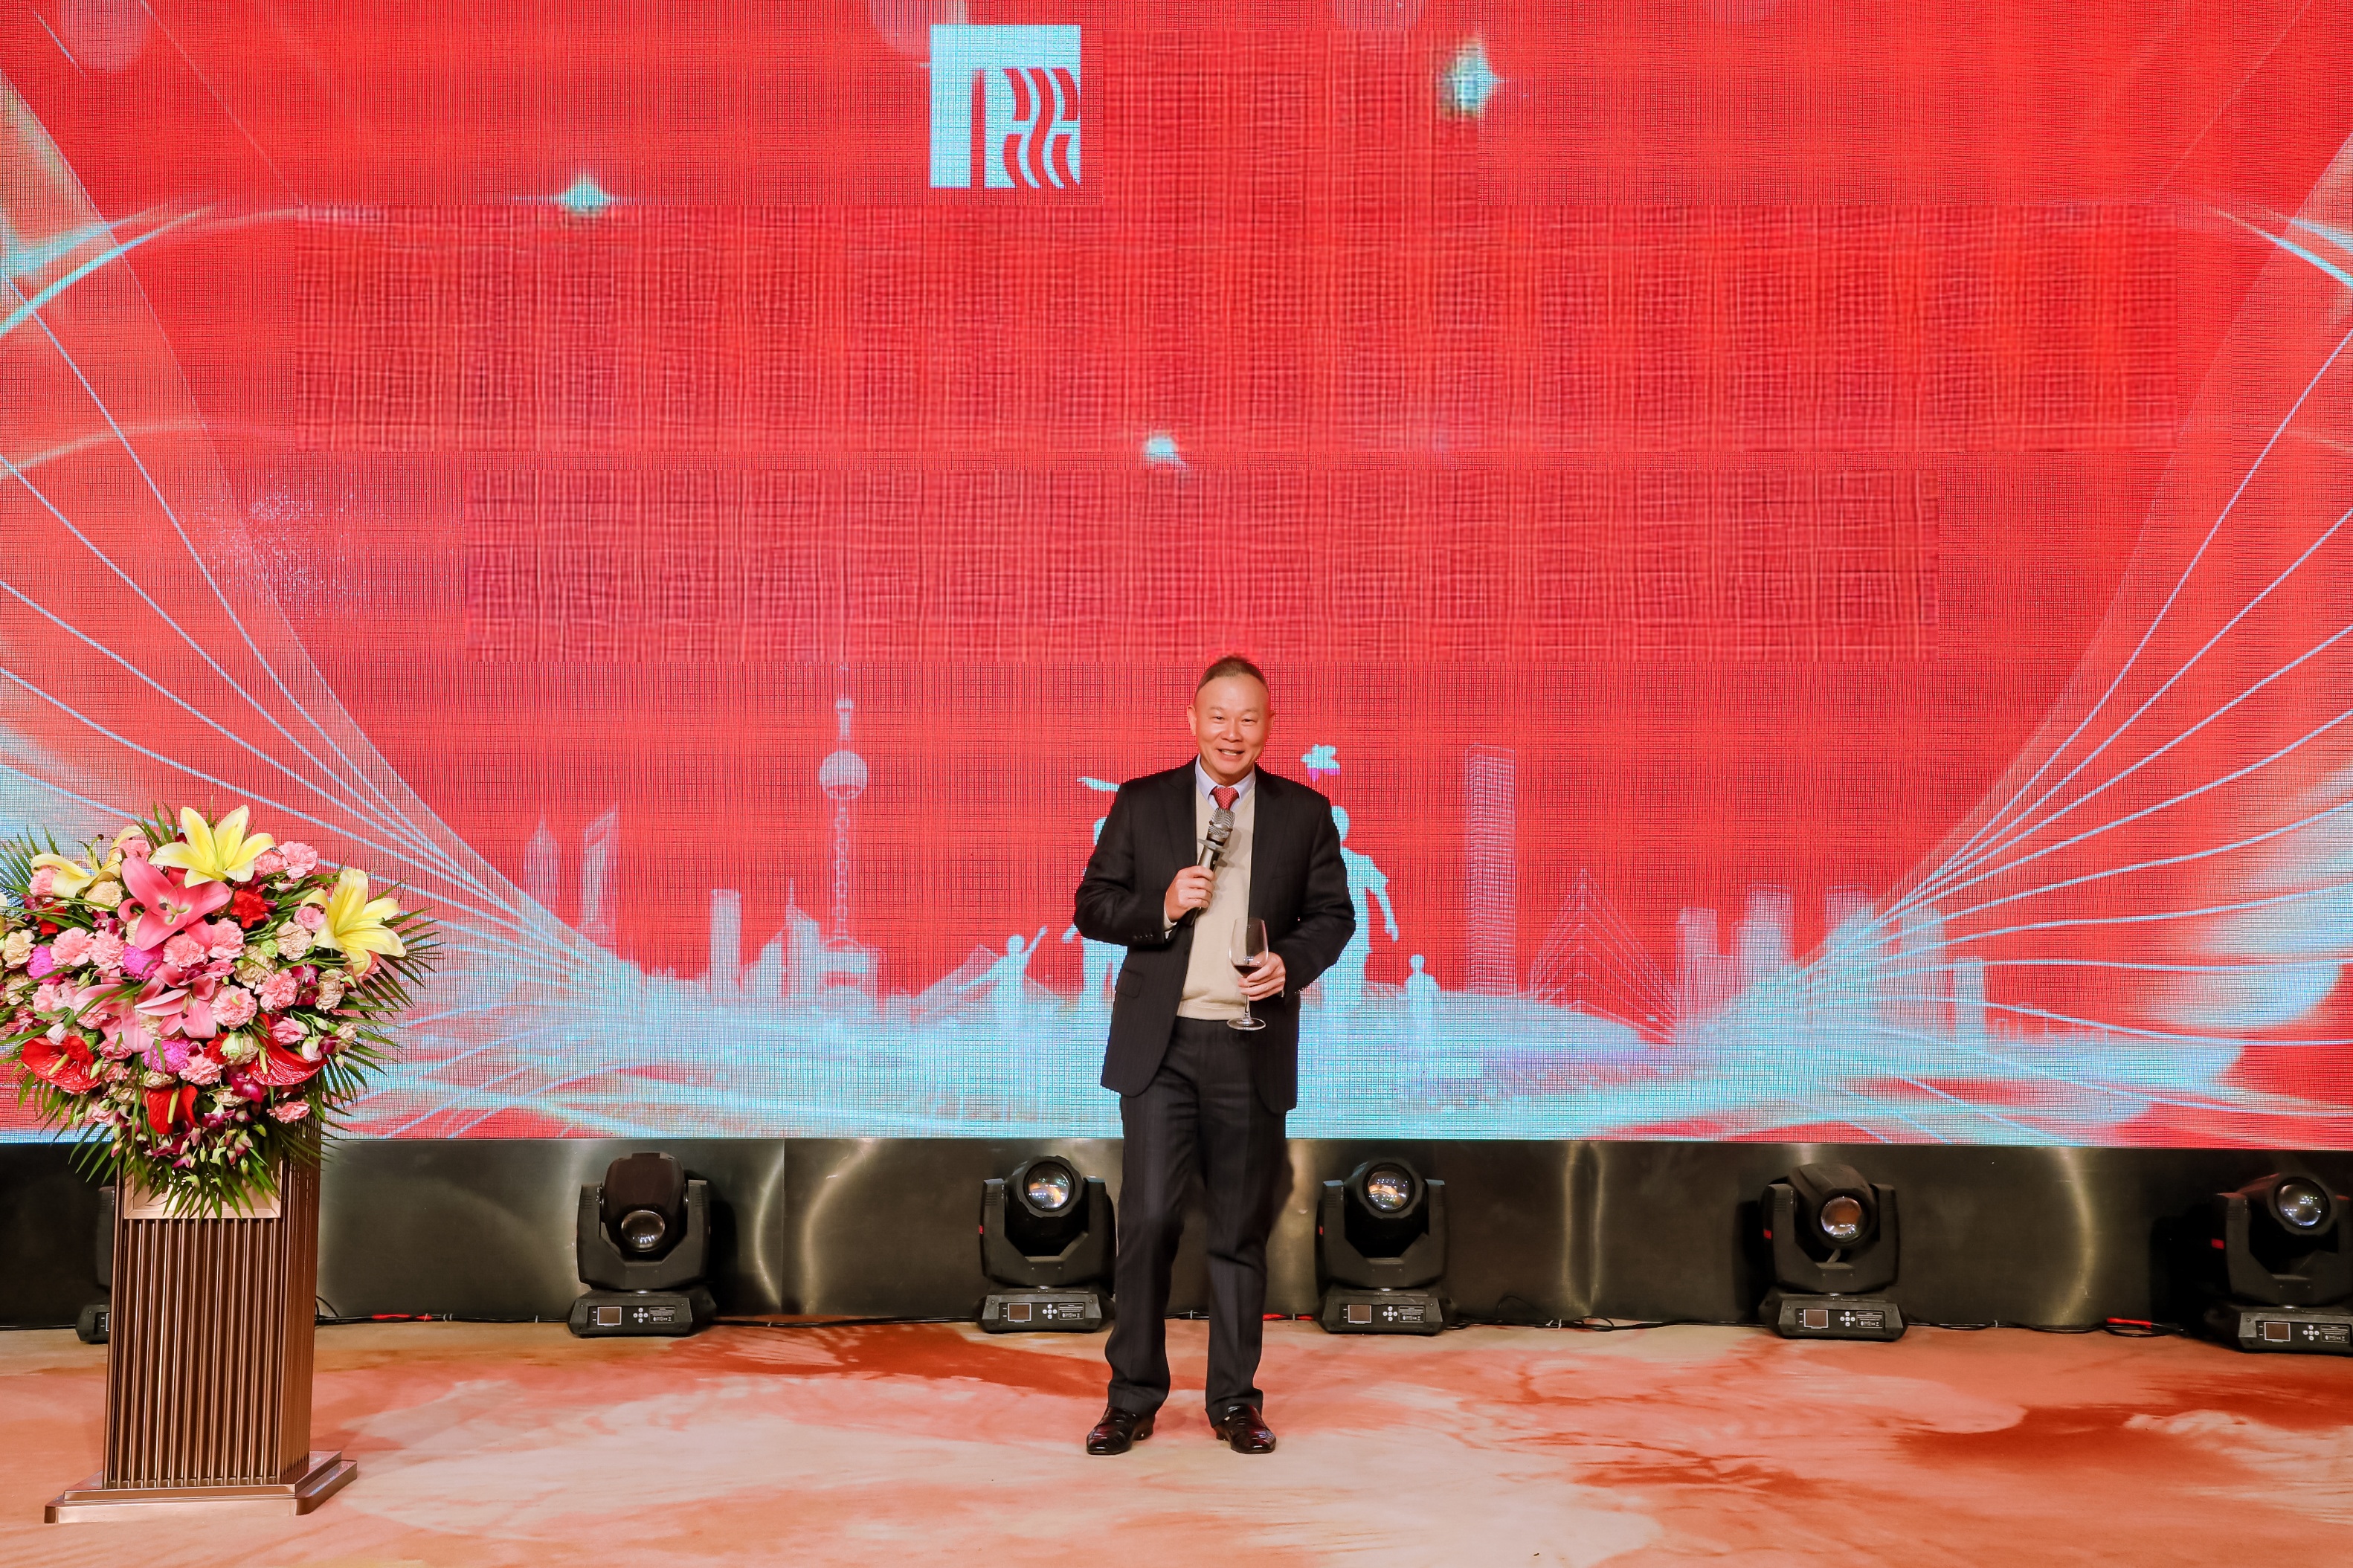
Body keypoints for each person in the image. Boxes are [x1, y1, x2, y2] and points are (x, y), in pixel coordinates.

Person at [1072, 656, 1355, 1456]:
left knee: (1237, 1230)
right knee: (1148, 1220)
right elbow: (1092, 905)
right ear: (1192, 720)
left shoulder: (1304, 813)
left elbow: (1333, 916)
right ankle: (1130, 1398)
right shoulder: (1143, 802)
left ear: (1268, 727)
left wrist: (1290, 963)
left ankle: (1234, 1402)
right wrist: (1160, 906)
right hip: (1160, 1046)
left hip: (1249, 1044)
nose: (1233, 733)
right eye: (1219, 716)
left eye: (1249, 718)